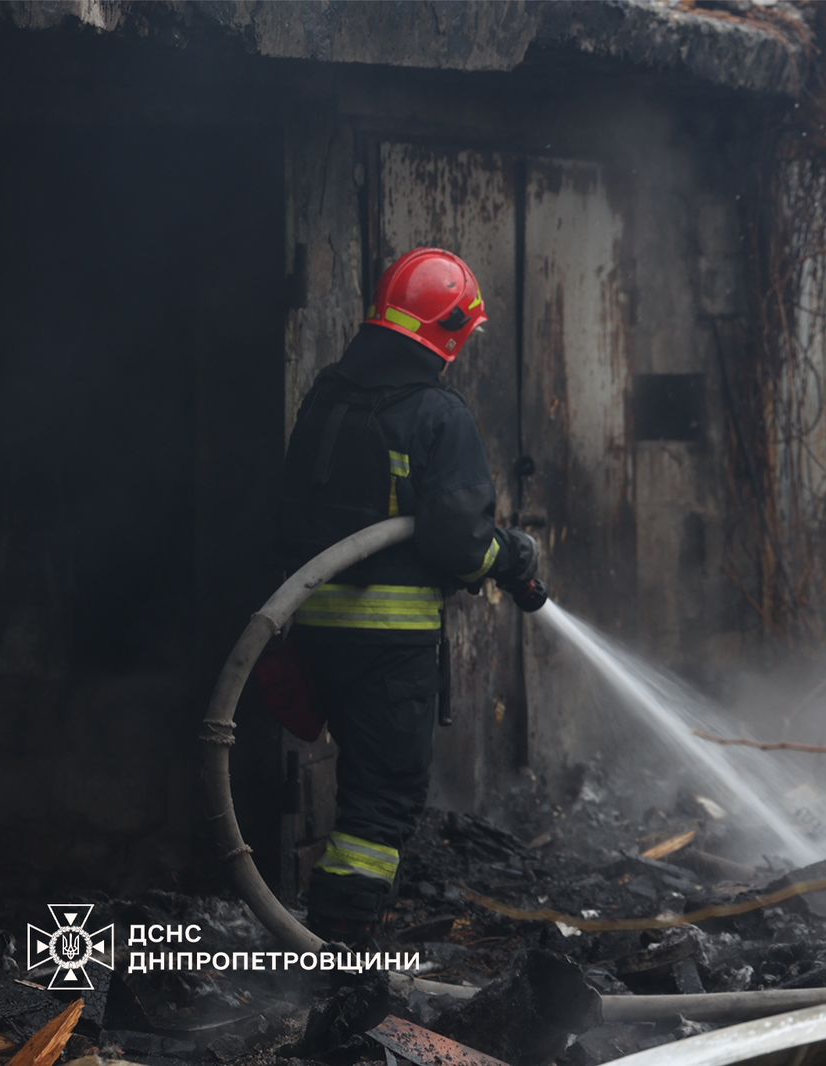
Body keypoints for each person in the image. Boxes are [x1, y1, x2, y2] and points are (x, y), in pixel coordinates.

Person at [279, 247, 545, 943]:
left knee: (361, 789)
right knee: (382, 801)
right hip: (388, 645)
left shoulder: (328, 395)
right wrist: (509, 555)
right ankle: (338, 957)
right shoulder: (436, 413)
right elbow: (459, 546)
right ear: (451, 331)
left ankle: (332, 938)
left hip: (313, 630)